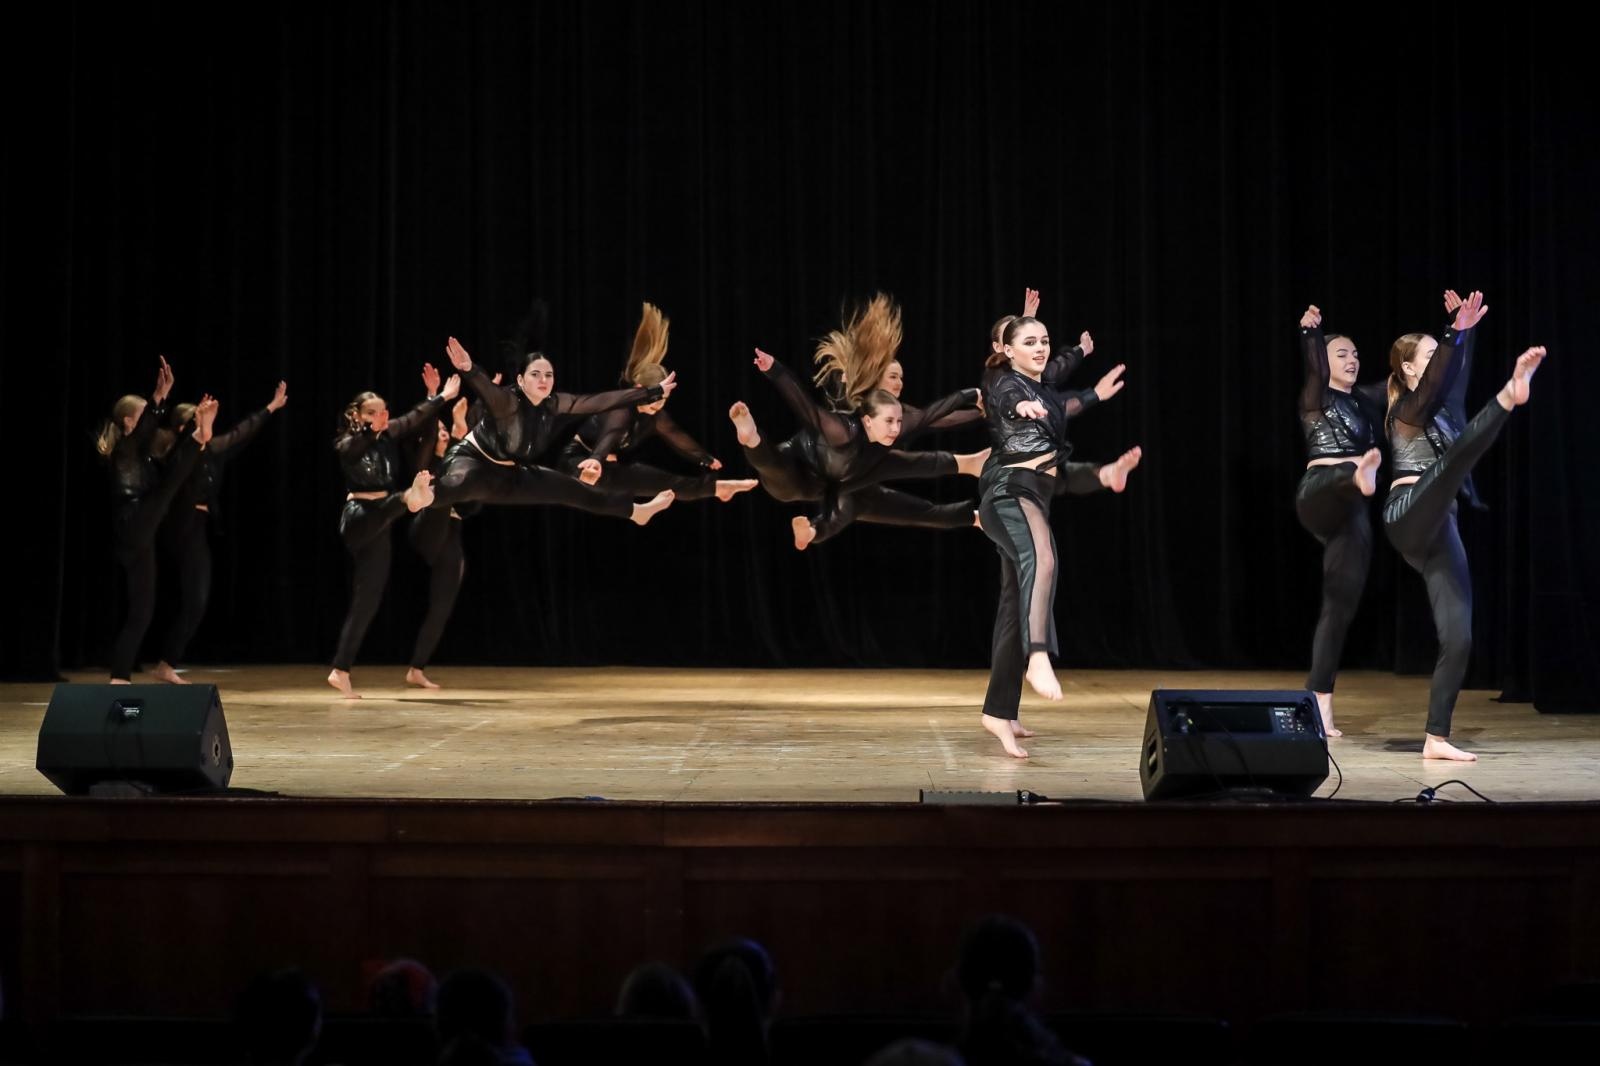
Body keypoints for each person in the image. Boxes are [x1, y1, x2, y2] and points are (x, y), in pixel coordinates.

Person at [1382, 289, 1545, 761]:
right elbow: (1438, 381)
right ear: (1409, 368)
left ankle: (1436, 737)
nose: (1438, 363)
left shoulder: (1442, 406)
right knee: (1451, 464)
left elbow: (1453, 378)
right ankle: (1509, 396)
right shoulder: (1406, 410)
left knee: (1459, 636)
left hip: (1440, 525)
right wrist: (1453, 334)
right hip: (1408, 511)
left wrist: (1464, 333)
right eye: (1428, 356)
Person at [978, 316, 1142, 757]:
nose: (1040, 348)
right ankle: (1038, 656)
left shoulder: (1046, 393)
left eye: (1045, 341)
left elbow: (1063, 400)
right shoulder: (1004, 382)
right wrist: (1021, 407)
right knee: (1044, 559)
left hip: (1037, 492)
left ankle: (999, 712)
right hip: (1009, 495)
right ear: (1007, 350)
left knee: (1014, 608)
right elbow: (1009, 398)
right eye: (1029, 342)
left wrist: (1092, 387)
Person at [327, 365, 458, 697]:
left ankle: (340, 670)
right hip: (359, 516)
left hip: (381, 525)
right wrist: (370, 430)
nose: (380, 417)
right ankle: (409, 498)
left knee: (367, 602)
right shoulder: (346, 440)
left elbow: (415, 418)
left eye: (383, 411)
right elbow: (351, 450)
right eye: (371, 412)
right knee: (399, 500)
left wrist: (437, 396)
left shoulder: (387, 433)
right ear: (356, 415)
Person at [149, 380, 288, 684]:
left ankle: (166, 662)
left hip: (197, 527)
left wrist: (271, 407)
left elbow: (241, 432)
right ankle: (163, 662)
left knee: (196, 598)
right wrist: (199, 429)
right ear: (183, 428)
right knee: (188, 596)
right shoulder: (177, 453)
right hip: (179, 526)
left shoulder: (211, 450)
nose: (205, 426)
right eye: (198, 421)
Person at [95, 355, 218, 682]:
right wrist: (159, 396)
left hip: (143, 534)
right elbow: (146, 430)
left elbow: (170, 459)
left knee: (142, 611)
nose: (152, 420)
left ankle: (119, 677)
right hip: (133, 521)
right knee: (168, 486)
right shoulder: (124, 448)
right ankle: (199, 437)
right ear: (128, 422)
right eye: (144, 416)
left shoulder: (144, 455)